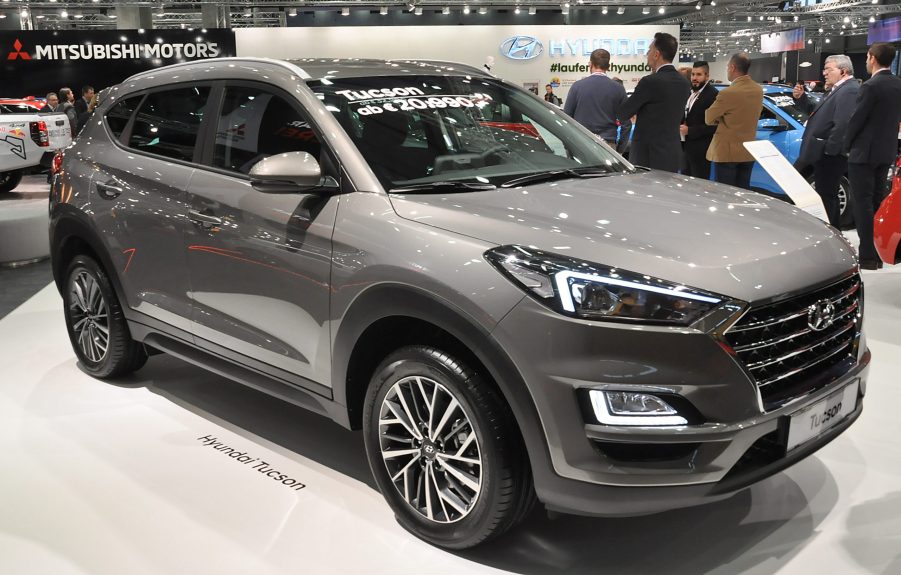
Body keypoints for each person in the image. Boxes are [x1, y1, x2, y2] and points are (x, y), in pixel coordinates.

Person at [845, 43, 901, 270]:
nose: (867, 61)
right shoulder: (898, 84)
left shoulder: (870, 86)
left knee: (862, 203)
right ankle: (878, 251)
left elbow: (857, 120)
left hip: (863, 154)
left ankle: (867, 255)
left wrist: (846, 144)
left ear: (873, 58)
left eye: (868, 57)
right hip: (885, 152)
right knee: (878, 202)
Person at [793, 55, 859, 227]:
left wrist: (830, 149)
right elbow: (818, 113)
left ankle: (833, 234)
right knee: (824, 195)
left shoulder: (849, 90)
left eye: (828, 69)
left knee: (827, 197)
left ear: (843, 71)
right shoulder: (836, 89)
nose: (824, 73)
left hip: (828, 155)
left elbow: (843, 123)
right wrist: (801, 99)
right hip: (820, 152)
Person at [616, 32, 690, 172]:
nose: (647, 54)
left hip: (648, 156)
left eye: (649, 50)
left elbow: (624, 113)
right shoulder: (684, 83)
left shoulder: (650, 82)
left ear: (656, 54)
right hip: (672, 153)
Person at [704, 52, 763, 190]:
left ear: (732, 67)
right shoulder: (758, 90)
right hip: (748, 152)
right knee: (743, 192)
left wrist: (722, 118)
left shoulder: (728, 93)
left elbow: (708, 118)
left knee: (725, 195)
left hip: (727, 154)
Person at [564, 49, 627, 146]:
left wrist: (569, 145)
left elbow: (566, 118)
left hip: (581, 143)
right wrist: (620, 148)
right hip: (608, 145)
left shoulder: (577, 86)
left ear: (590, 64)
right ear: (608, 66)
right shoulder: (619, 88)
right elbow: (626, 124)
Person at [680, 61, 718, 179]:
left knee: (699, 186)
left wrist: (690, 131)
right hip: (686, 148)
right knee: (685, 184)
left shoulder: (713, 95)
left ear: (707, 76)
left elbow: (714, 126)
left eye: (699, 75)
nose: (694, 78)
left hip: (701, 151)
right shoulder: (690, 93)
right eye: (693, 74)